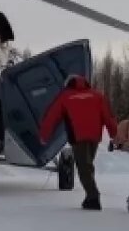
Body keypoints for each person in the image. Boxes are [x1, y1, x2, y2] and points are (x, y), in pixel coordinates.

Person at [39, 74, 118, 210]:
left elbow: (51, 116)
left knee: (84, 168)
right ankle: (90, 197)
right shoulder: (97, 95)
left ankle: (93, 198)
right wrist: (115, 134)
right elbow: (108, 116)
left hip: (78, 136)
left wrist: (44, 136)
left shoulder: (65, 96)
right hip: (94, 136)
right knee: (88, 166)